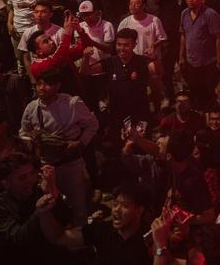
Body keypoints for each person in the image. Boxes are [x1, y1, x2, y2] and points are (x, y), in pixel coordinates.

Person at [19, 69, 98, 225]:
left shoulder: (71, 103)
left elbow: (92, 124)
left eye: (47, 84)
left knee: (78, 207)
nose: (41, 88)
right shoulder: (32, 108)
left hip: (70, 163)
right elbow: (22, 132)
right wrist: (31, 139)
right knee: (51, 206)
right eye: (39, 84)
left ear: (57, 86)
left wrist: (81, 142)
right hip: (46, 165)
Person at [36, 182, 152, 265]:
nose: (116, 209)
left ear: (139, 211)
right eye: (115, 204)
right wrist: (44, 213)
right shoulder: (103, 230)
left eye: (125, 205)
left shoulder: (149, 239)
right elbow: (58, 237)